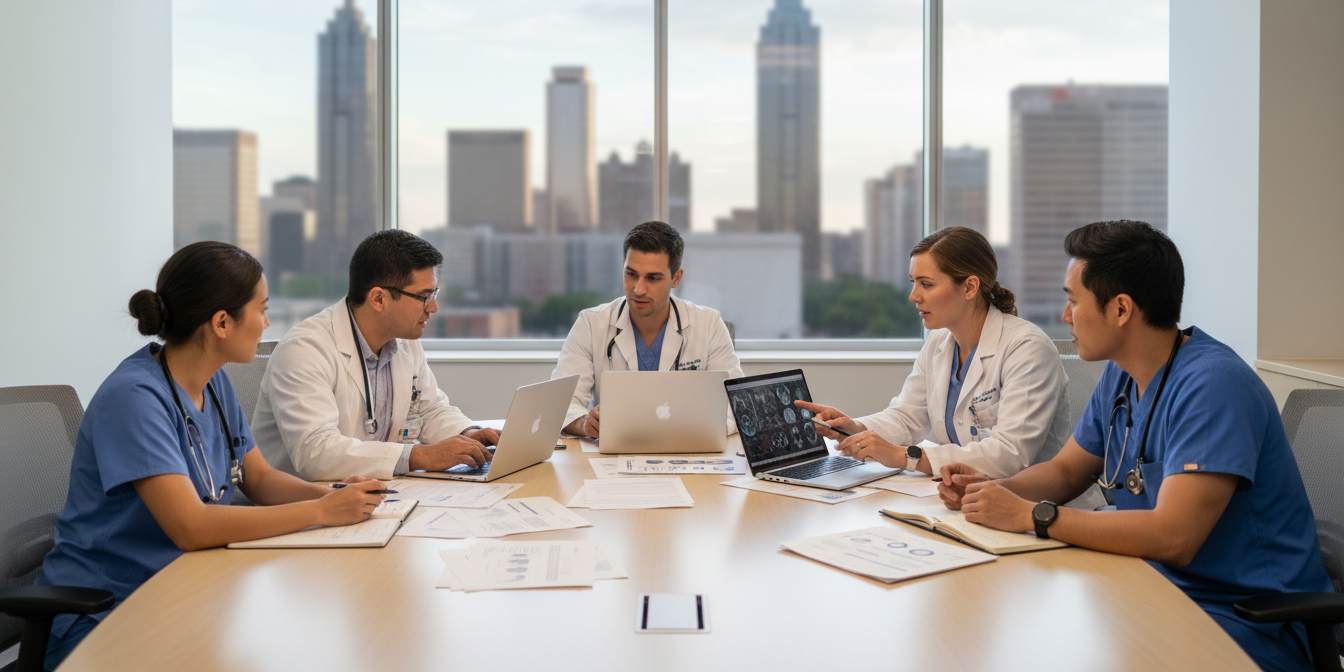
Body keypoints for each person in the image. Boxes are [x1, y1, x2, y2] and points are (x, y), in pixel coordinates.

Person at [937, 221, 1331, 672]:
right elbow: (1066, 472)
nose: (1065, 316)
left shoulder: (1214, 386)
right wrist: (989, 491)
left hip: (1245, 622)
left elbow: (1174, 536)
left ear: (1121, 308)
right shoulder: (1122, 374)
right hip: (1151, 586)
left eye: (1073, 300)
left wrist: (1033, 515)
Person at [34, 242, 386, 670]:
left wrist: (330, 495)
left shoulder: (213, 384)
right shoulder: (134, 398)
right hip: (107, 609)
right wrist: (321, 512)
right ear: (221, 322)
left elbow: (258, 479)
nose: (267, 322)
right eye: (261, 309)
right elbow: (191, 526)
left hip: (184, 586)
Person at [806, 227, 1096, 503]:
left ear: (969, 287)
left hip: (1043, 507)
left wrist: (905, 456)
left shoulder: (1027, 348)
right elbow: (907, 417)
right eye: (913, 282)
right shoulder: (940, 340)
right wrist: (856, 428)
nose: (913, 296)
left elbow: (1009, 456)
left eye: (926, 284)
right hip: (969, 501)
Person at [251, 230, 499, 481]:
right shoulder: (305, 349)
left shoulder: (404, 340)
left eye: (434, 294)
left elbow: (429, 410)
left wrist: (468, 435)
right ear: (378, 299)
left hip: (370, 490)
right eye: (424, 297)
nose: (433, 307)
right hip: (298, 498)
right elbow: (315, 453)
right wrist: (419, 456)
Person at [553, 221, 743, 438]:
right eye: (632, 274)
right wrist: (584, 423)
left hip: (689, 447)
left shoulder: (709, 325)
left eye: (653, 278)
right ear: (623, 266)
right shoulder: (590, 324)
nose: (638, 289)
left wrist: (690, 431)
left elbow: (735, 404)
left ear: (676, 278)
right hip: (615, 451)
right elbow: (562, 403)